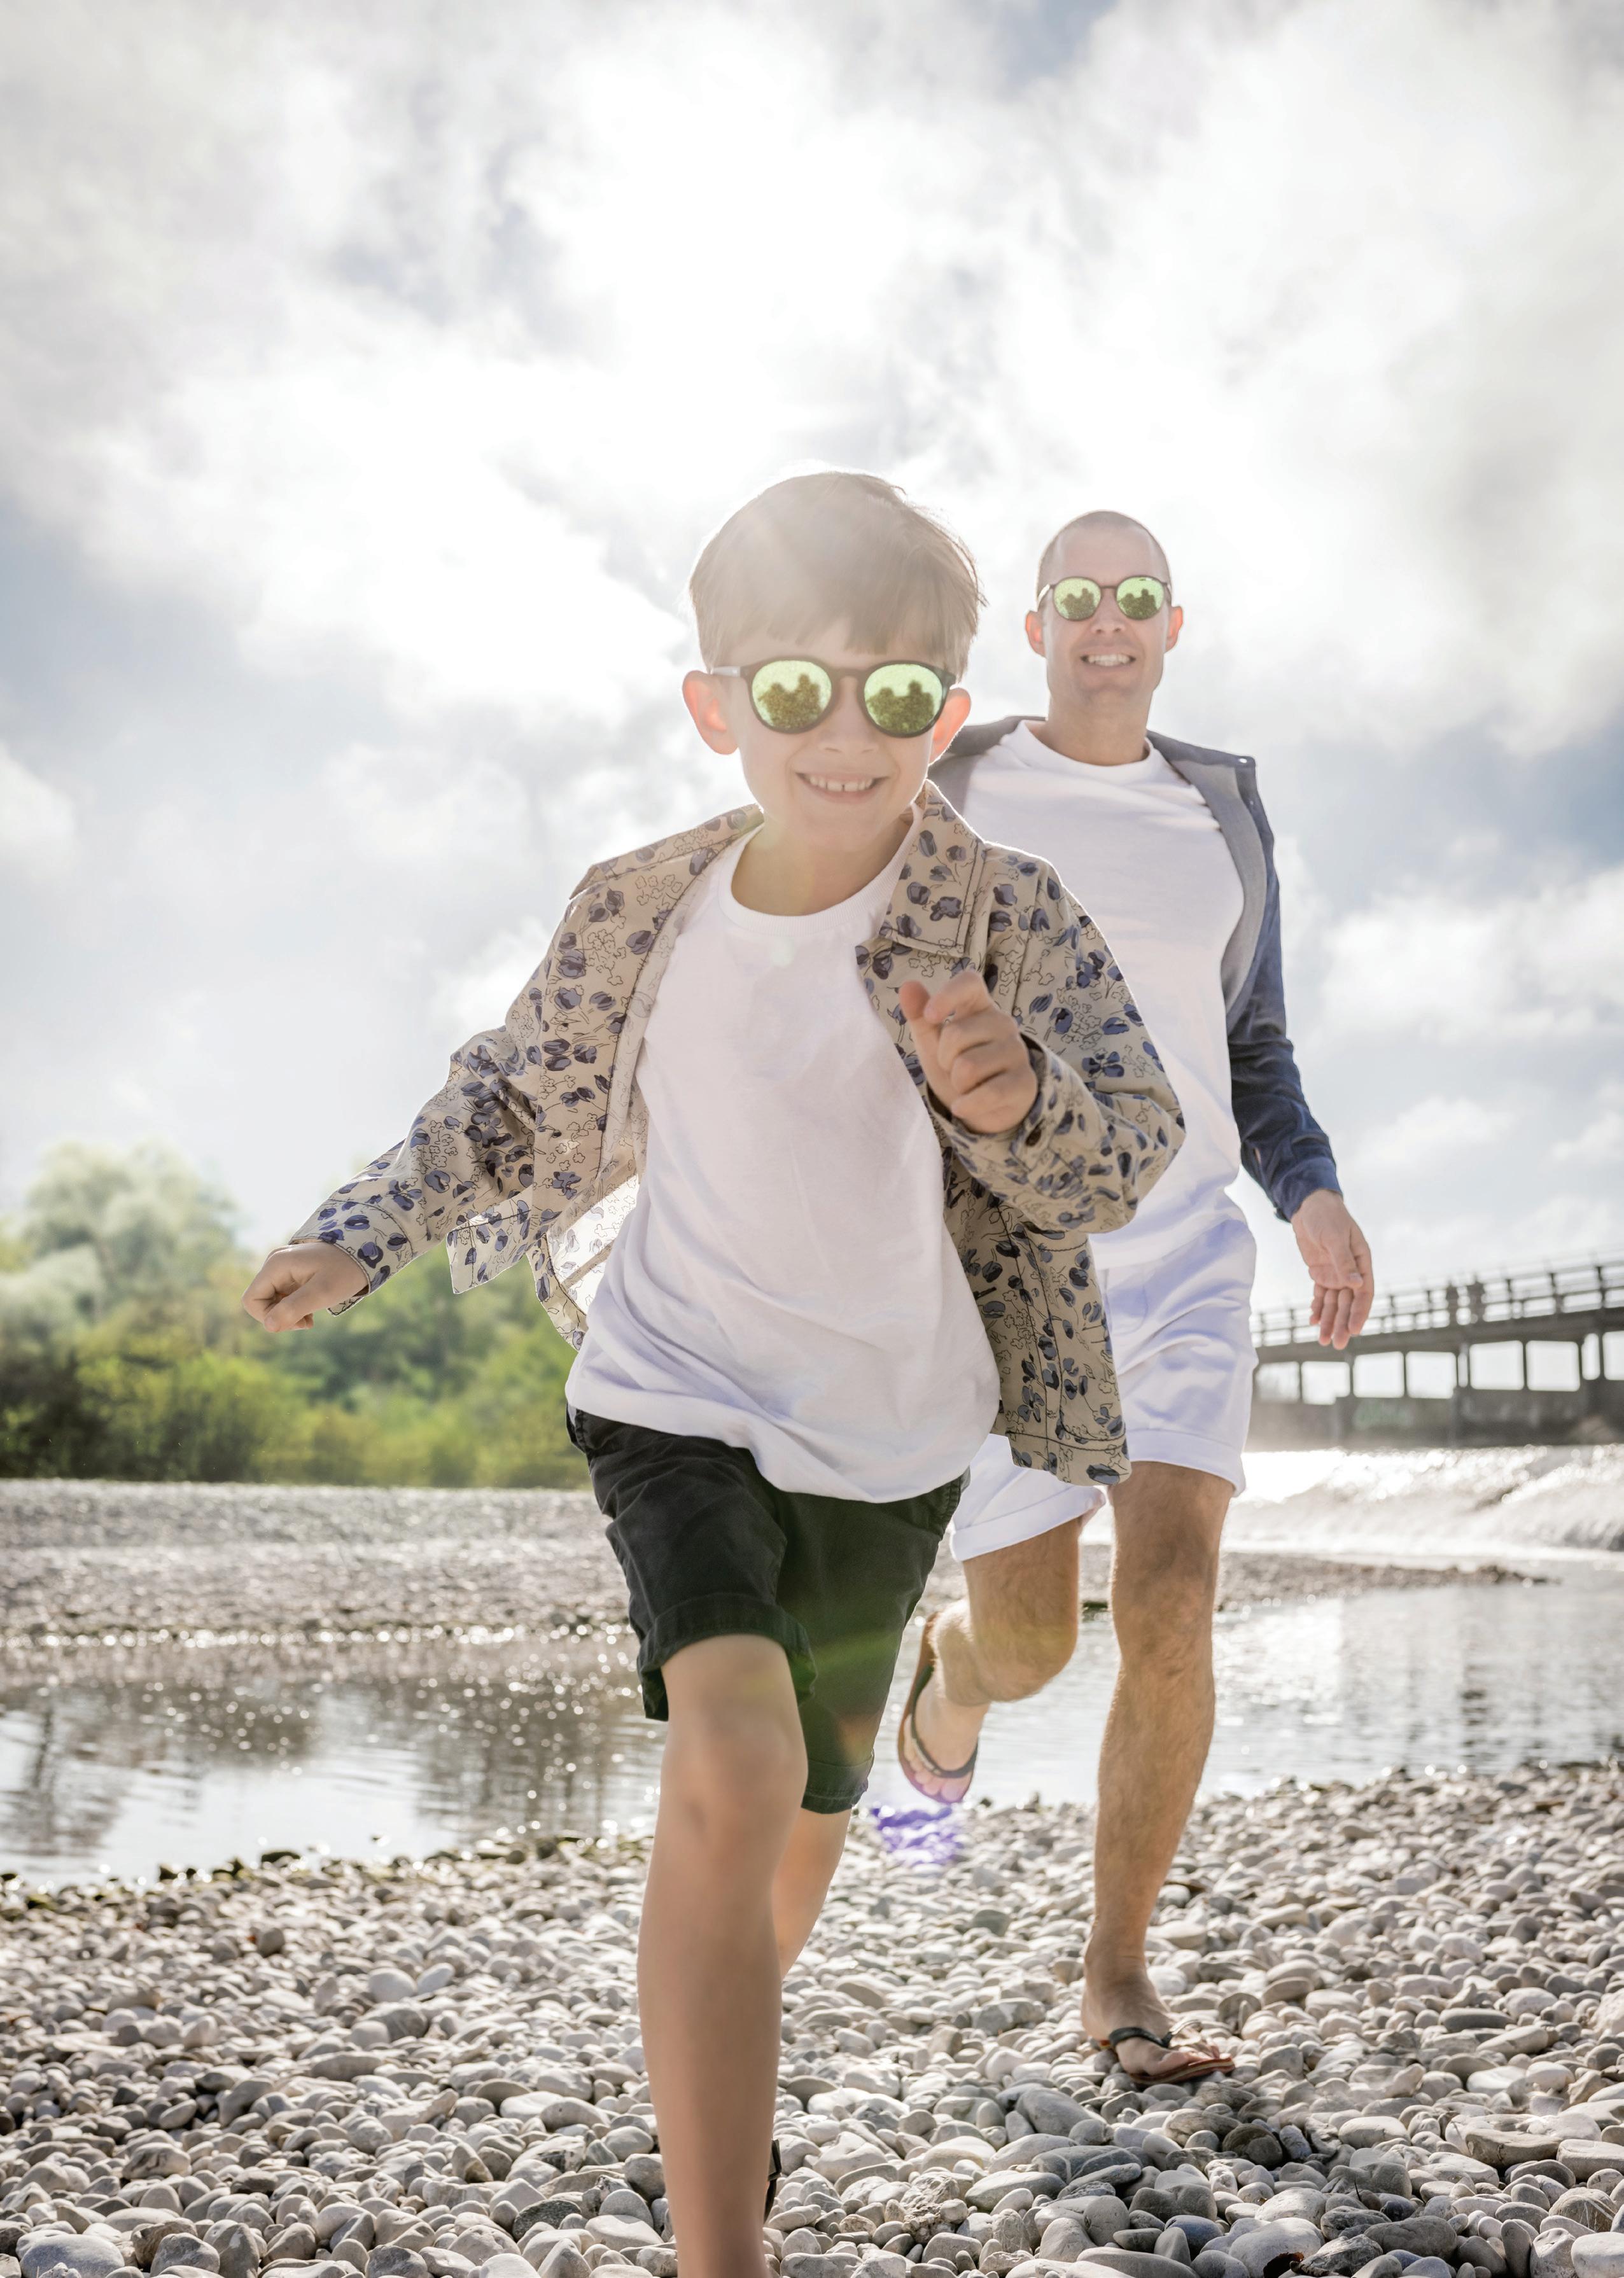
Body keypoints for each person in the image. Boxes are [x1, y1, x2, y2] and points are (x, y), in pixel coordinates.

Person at [242, 473, 1184, 2278]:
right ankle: (719, 2246)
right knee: (735, 1761)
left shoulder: (1008, 915)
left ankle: (715, 2068)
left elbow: (1124, 1145)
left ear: (946, 712)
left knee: (808, 1820)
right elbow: (507, 1092)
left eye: (893, 695)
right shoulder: (643, 912)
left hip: (893, 1439)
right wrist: (364, 1230)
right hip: (673, 1391)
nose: (845, 734)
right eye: (795, 689)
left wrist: (1016, 1101)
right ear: (715, 705)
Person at [897, 508, 1374, 2086]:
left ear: (1174, 626)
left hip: (1184, 1255)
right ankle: (949, 1676)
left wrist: (1309, 1193)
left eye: (1138, 596)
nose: (1110, 619)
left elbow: (1254, 1047)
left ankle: (1116, 1972)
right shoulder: (956, 785)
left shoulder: (1219, 817)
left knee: (1171, 1596)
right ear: (1037, 628)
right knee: (1031, 1642)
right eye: (1081, 596)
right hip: (1016, 1258)